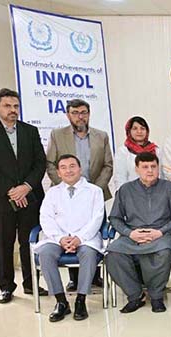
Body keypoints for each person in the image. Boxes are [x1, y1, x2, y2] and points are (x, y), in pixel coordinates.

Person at [0, 88, 48, 303]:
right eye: (7, 106)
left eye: (16, 106)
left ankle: (31, 284)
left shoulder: (30, 131)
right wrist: (11, 191)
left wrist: (25, 186)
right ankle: (6, 287)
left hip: (29, 197)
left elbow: (39, 162)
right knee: (4, 245)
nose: (12, 110)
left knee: (29, 243)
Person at [45, 98, 112, 291]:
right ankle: (75, 279)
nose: (80, 116)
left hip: (95, 193)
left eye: (83, 112)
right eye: (75, 113)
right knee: (69, 231)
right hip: (67, 192)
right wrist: (66, 185)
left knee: (93, 232)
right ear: (68, 115)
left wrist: (94, 189)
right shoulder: (58, 135)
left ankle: (94, 276)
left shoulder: (101, 136)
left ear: (89, 114)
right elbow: (50, 164)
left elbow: (108, 165)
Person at [106, 152, 171, 313]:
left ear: (158, 168)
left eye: (153, 167)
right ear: (136, 169)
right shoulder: (126, 190)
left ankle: (156, 297)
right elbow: (115, 218)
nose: (150, 170)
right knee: (113, 253)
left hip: (161, 235)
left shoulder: (168, 188)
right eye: (145, 167)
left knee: (163, 252)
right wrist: (129, 233)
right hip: (133, 235)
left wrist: (160, 232)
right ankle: (135, 296)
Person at [37, 154, 105, 322]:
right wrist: (61, 238)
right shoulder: (52, 193)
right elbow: (45, 218)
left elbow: (97, 218)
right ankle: (61, 302)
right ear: (58, 173)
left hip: (85, 238)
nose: (69, 170)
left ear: (80, 169)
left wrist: (79, 238)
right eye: (64, 167)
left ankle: (81, 300)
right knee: (45, 254)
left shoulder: (95, 191)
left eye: (72, 166)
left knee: (88, 255)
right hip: (57, 238)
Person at [114, 116, 163, 191]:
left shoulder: (155, 150)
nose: (139, 131)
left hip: (155, 194)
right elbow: (120, 178)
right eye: (135, 128)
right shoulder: (123, 152)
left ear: (147, 131)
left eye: (142, 128)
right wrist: (123, 196)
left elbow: (161, 175)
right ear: (129, 131)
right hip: (132, 195)